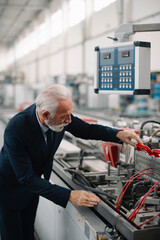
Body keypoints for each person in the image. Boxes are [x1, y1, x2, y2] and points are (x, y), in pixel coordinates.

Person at [0, 84, 142, 240]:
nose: (69, 120)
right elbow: (25, 178)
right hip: (9, 189)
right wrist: (69, 195)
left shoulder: (59, 115)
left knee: (27, 231)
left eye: (70, 114)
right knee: (12, 235)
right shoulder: (17, 128)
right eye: (64, 117)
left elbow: (87, 130)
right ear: (45, 115)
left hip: (33, 187)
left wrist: (118, 134)